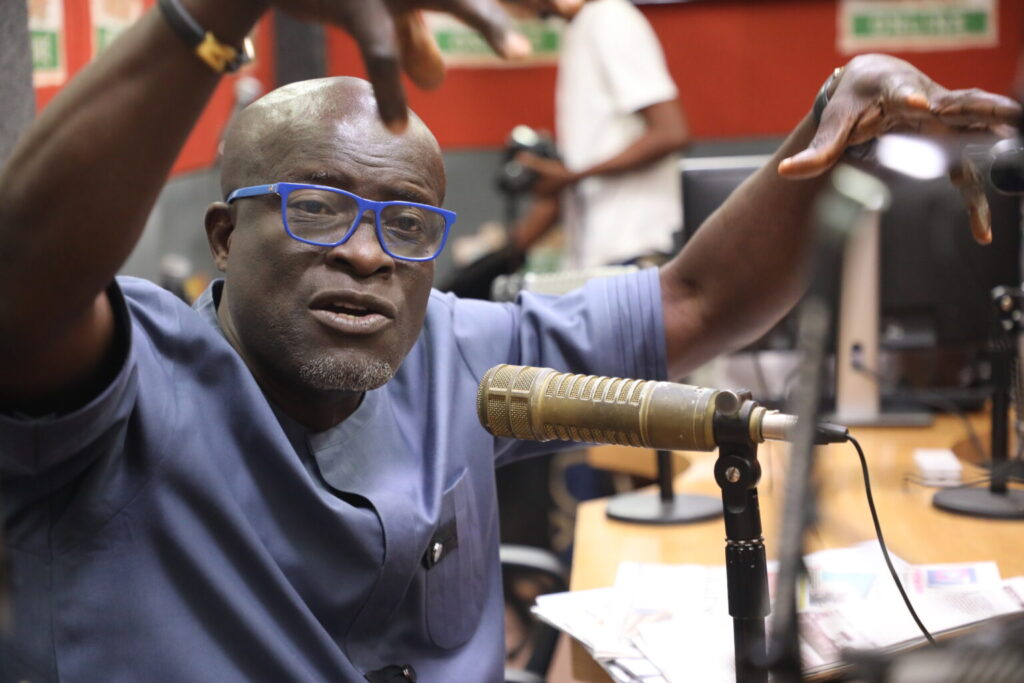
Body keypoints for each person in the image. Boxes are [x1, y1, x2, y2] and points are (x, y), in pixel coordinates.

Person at [0, 0, 1017, 680]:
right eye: (318, 209)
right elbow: (20, 297)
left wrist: (837, 124)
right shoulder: (127, 382)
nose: (367, 254)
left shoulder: (456, 350)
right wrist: (214, 12)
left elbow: (698, 300)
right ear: (225, 235)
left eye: (408, 225)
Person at [510, 0, 690, 269]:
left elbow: (670, 132)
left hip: (635, 247)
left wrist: (571, 176)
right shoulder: (581, 29)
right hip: (601, 254)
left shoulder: (610, 18)